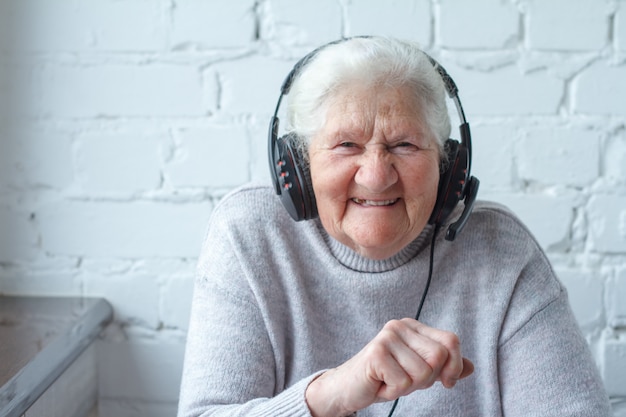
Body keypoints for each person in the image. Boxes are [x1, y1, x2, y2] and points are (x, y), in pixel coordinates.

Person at [177, 36, 611, 417]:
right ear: (300, 165)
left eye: (403, 145)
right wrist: (330, 394)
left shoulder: (502, 251)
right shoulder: (250, 235)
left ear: (448, 166)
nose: (376, 175)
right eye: (347, 145)